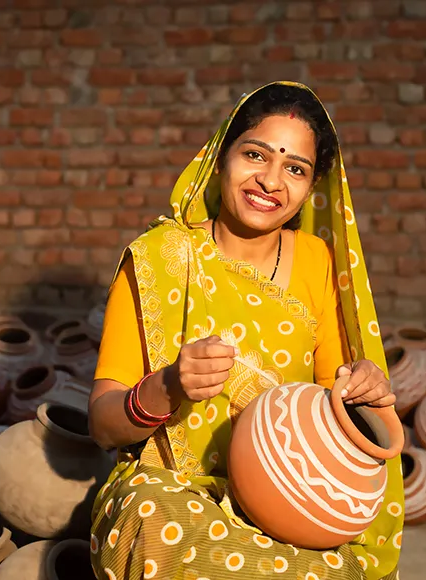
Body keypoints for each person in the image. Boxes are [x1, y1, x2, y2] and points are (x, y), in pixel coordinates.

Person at [87, 81, 404, 580]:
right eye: (256, 154)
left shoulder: (318, 263)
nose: (271, 181)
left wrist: (365, 393)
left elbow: (333, 404)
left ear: (310, 186)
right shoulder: (158, 258)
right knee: (149, 519)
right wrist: (168, 387)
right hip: (175, 495)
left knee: (340, 568)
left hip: (289, 502)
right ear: (220, 157)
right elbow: (103, 426)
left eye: (294, 168)